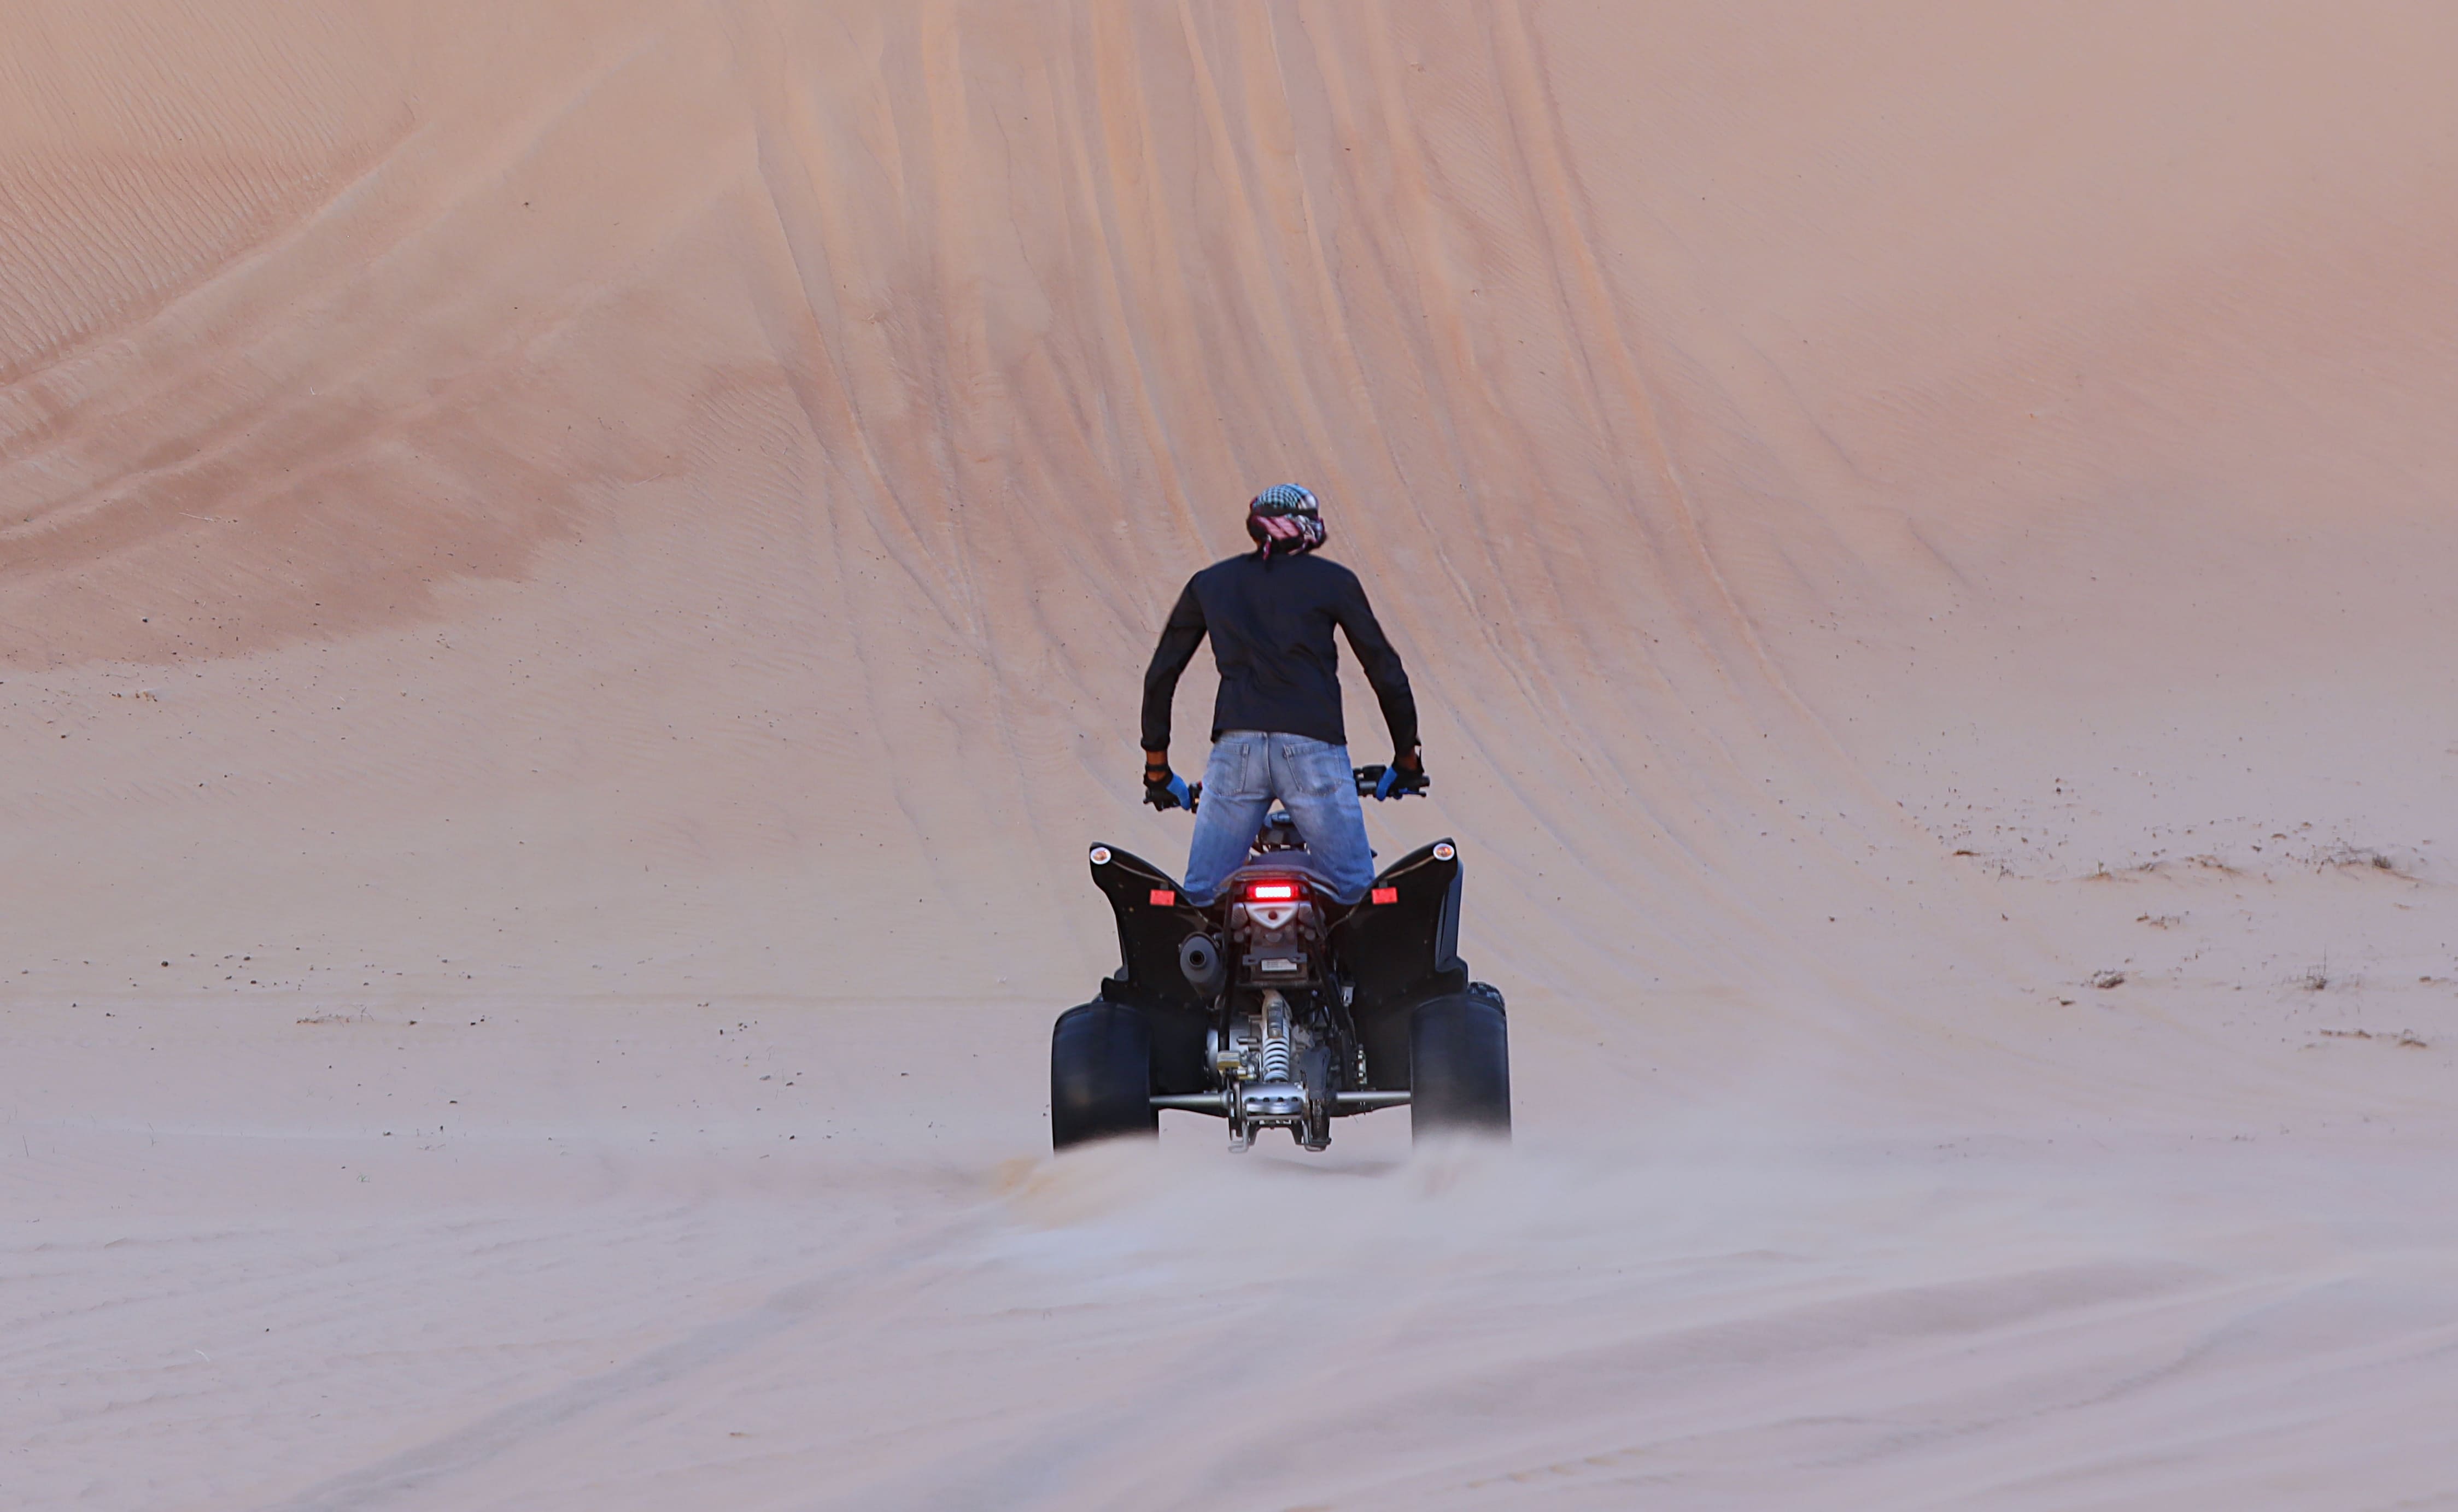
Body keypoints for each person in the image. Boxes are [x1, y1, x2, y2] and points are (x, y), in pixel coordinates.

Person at [1140, 484, 1427, 906]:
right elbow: (1385, 672)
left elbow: (1162, 675)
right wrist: (1406, 759)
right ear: (1308, 527)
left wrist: (1157, 771)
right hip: (1313, 750)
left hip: (1235, 754)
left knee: (1201, 901)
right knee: (1357, 899)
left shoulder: (1211, 583)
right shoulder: (1334, 582)